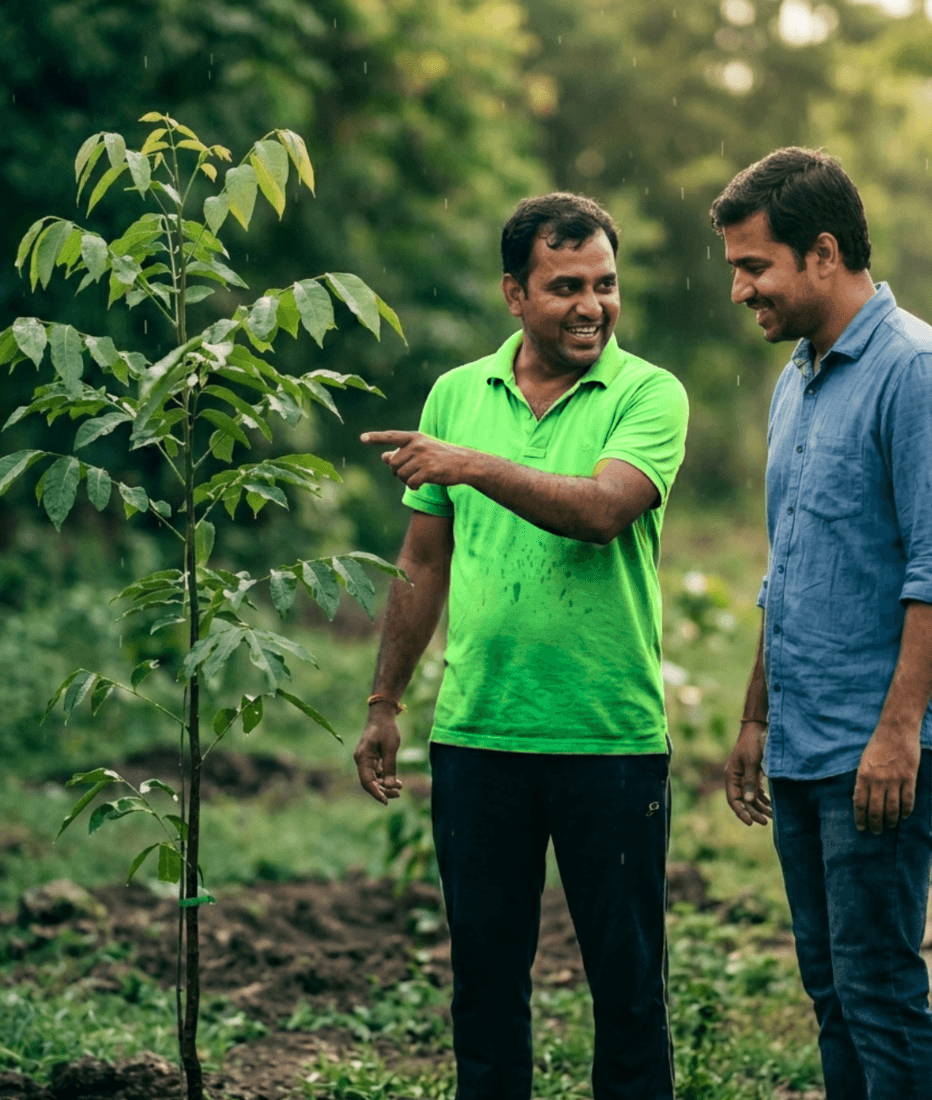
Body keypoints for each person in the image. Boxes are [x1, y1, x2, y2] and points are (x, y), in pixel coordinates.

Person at [352, 192, 689, 1100]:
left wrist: (470, 464)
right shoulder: (458, 394)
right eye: (565, 286)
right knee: (485, 994)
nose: (592, 307)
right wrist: (386, 702)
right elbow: (423, 560)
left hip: (608, 740)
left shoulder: (649, 392)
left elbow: (604, 510)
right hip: (478, 740)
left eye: (606, 285)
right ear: (514, 293)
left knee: (627, 997)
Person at [711, 148, 932, 1100]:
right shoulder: (799, 377)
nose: (741, 288)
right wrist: (756, 718)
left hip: (879, 747)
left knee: (879, 991)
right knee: (831, 992)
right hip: (803, 742)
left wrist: (899, 731)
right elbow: (792, 564)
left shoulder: (919, 372)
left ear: (823, 253)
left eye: (755, 266)